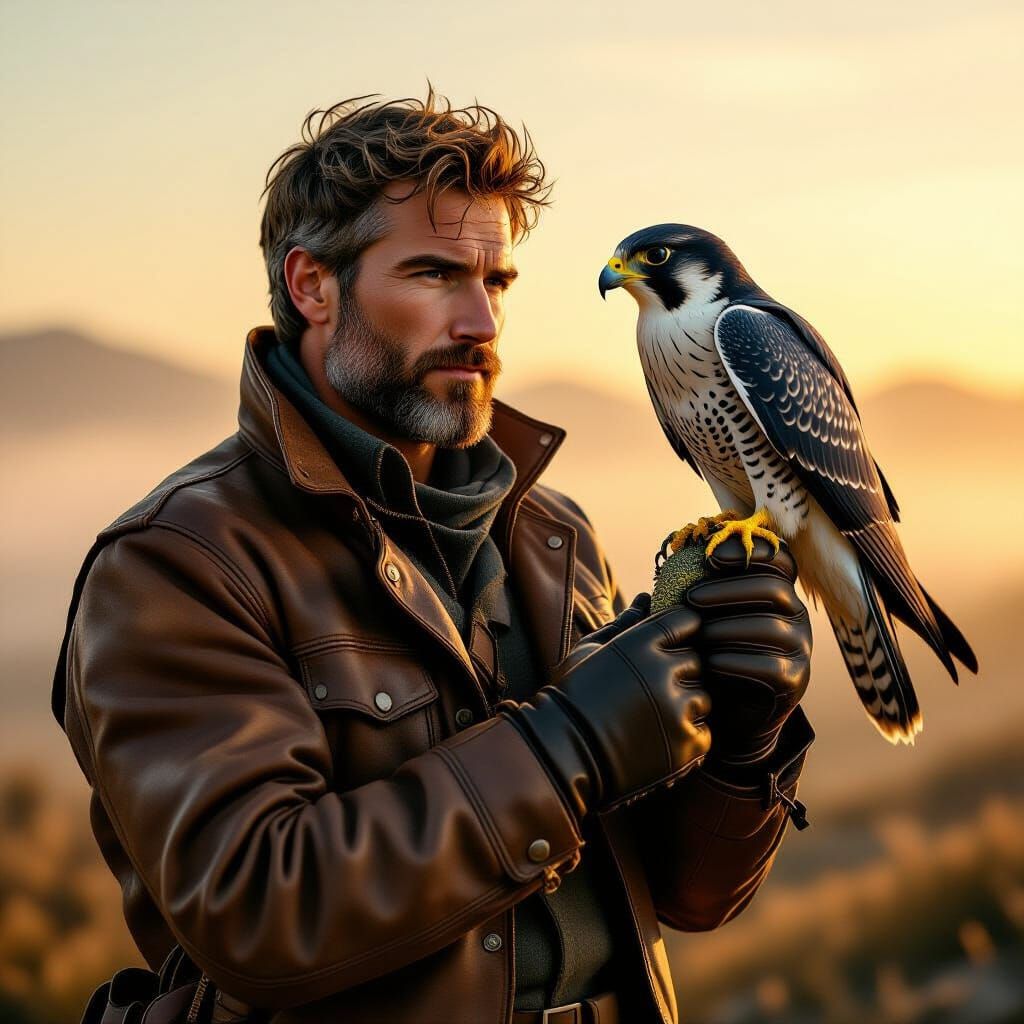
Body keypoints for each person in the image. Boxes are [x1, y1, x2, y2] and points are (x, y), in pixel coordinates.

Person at [51, 90, 815, 1024]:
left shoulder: (554, 534)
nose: (482, 323)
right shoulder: (177, 564)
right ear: (311, 286)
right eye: (432, 275)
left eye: (495, 284)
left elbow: (684, 899)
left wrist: (743, 749)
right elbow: (257, 914)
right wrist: (571, 740)